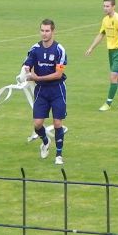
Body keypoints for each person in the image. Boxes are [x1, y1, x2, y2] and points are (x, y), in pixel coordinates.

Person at [22, 19, 68, 165]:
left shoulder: (59, 49)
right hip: (41, 90)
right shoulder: (35, 48)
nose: (44, 33)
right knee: (37, 124)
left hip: (57, 90)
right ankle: (45, 141)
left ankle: (59, 155)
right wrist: (26, 71)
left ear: (53, 32)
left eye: (47, 31)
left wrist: (38, 77)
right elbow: (27, 63)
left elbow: (58, 74)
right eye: (42, 30)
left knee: (57, 123)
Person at [85, 0, 118, 111]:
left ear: (114, 6)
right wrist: (91, 48)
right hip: (111, 52)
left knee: (113, 76)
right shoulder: (105, 20)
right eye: (104, 6)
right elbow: (101, 34)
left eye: (107, 6)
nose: (105, 8)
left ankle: (108, 103)